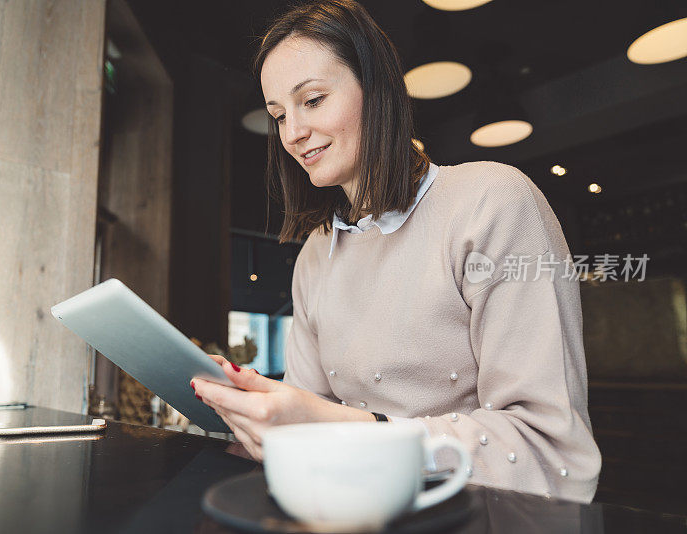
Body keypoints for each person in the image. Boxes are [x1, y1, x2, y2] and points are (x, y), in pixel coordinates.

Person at [190, 0, 601, 503]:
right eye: (279, 114)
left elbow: (548, 447)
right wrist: (262, 415)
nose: (292, 133)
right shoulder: (317, 254)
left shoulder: (492, 201)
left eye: (313, 100)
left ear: (377, 88)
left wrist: (351, 429)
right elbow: (307, 426)